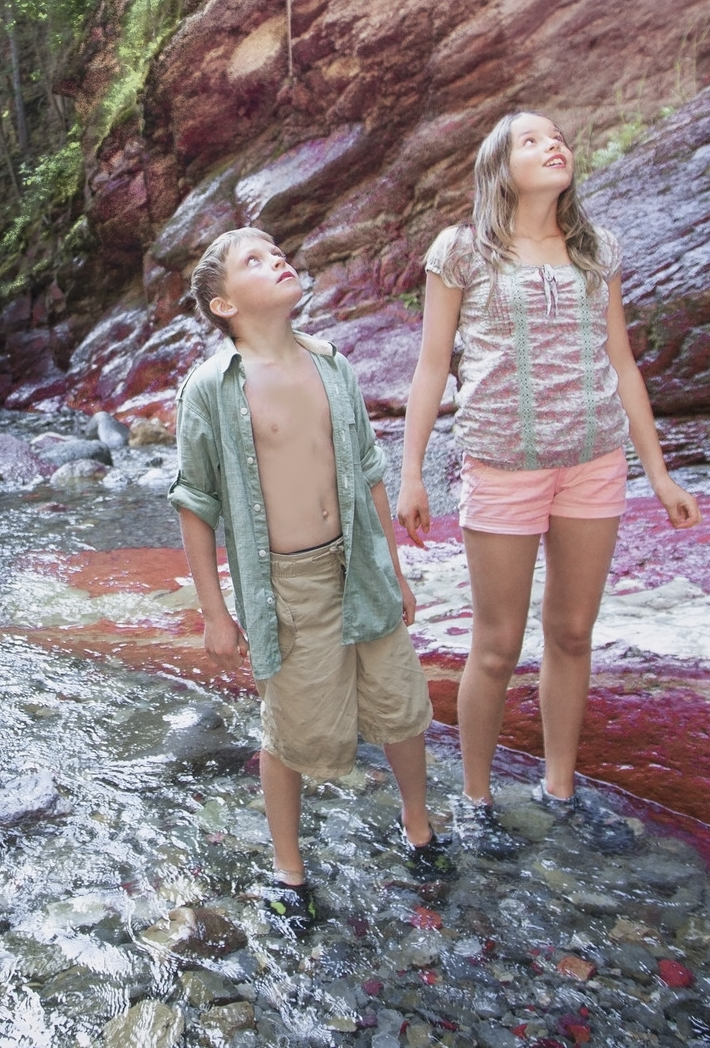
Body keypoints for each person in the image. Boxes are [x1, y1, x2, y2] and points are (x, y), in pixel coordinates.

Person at [396, 111, 701, 857]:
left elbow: (623, 362)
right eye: (530, 139)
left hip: (594, 461)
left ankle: (560, 789)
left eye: (557, 136)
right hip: (503, 466)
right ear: (500, 166)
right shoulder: (462, 252)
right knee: (496, 644)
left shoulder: (596, 249)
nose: (552, 144)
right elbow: (433, 367)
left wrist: (656, 471)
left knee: (570, 632)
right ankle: (474, 798)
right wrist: (409, 470)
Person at [170, 227, 443, 938]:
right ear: (224, 303)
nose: (277, 258)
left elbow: (368, 469)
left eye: (276, 248)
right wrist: (215, 610)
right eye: (253, 260)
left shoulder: (331, 363)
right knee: (289, 730)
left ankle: (419, 827)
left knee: (400, 701)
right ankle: (290, 870)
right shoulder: (211, 388)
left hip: (358, 564)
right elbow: (195, 501)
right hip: (284, 585)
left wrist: (394, 569)